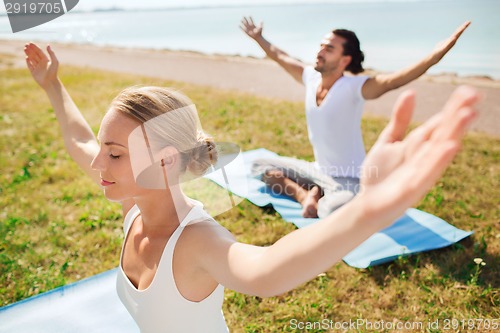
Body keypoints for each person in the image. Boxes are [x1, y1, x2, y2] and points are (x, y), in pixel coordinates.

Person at [24, 42, 479, 333]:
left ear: (163, 163)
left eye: (115, 154)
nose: (97, 162)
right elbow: (81, 140)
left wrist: (370, 210)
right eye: (106, 151)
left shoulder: (196, 242)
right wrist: (53, 85)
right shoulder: (133, 205)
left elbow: (267, 271)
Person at [240, 17, 471, 218]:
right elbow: (279, 55)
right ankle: (306, 195)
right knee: (260, 166)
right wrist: (259, 38)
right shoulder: (310, 77)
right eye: (321, 46)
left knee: (333, 212)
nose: (320, 51)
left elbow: (393, 81)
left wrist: (434, 57)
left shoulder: (355, 87)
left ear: (345, 60)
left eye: (329, 48)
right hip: (316, 169)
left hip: (349, 178)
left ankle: (318, 194)